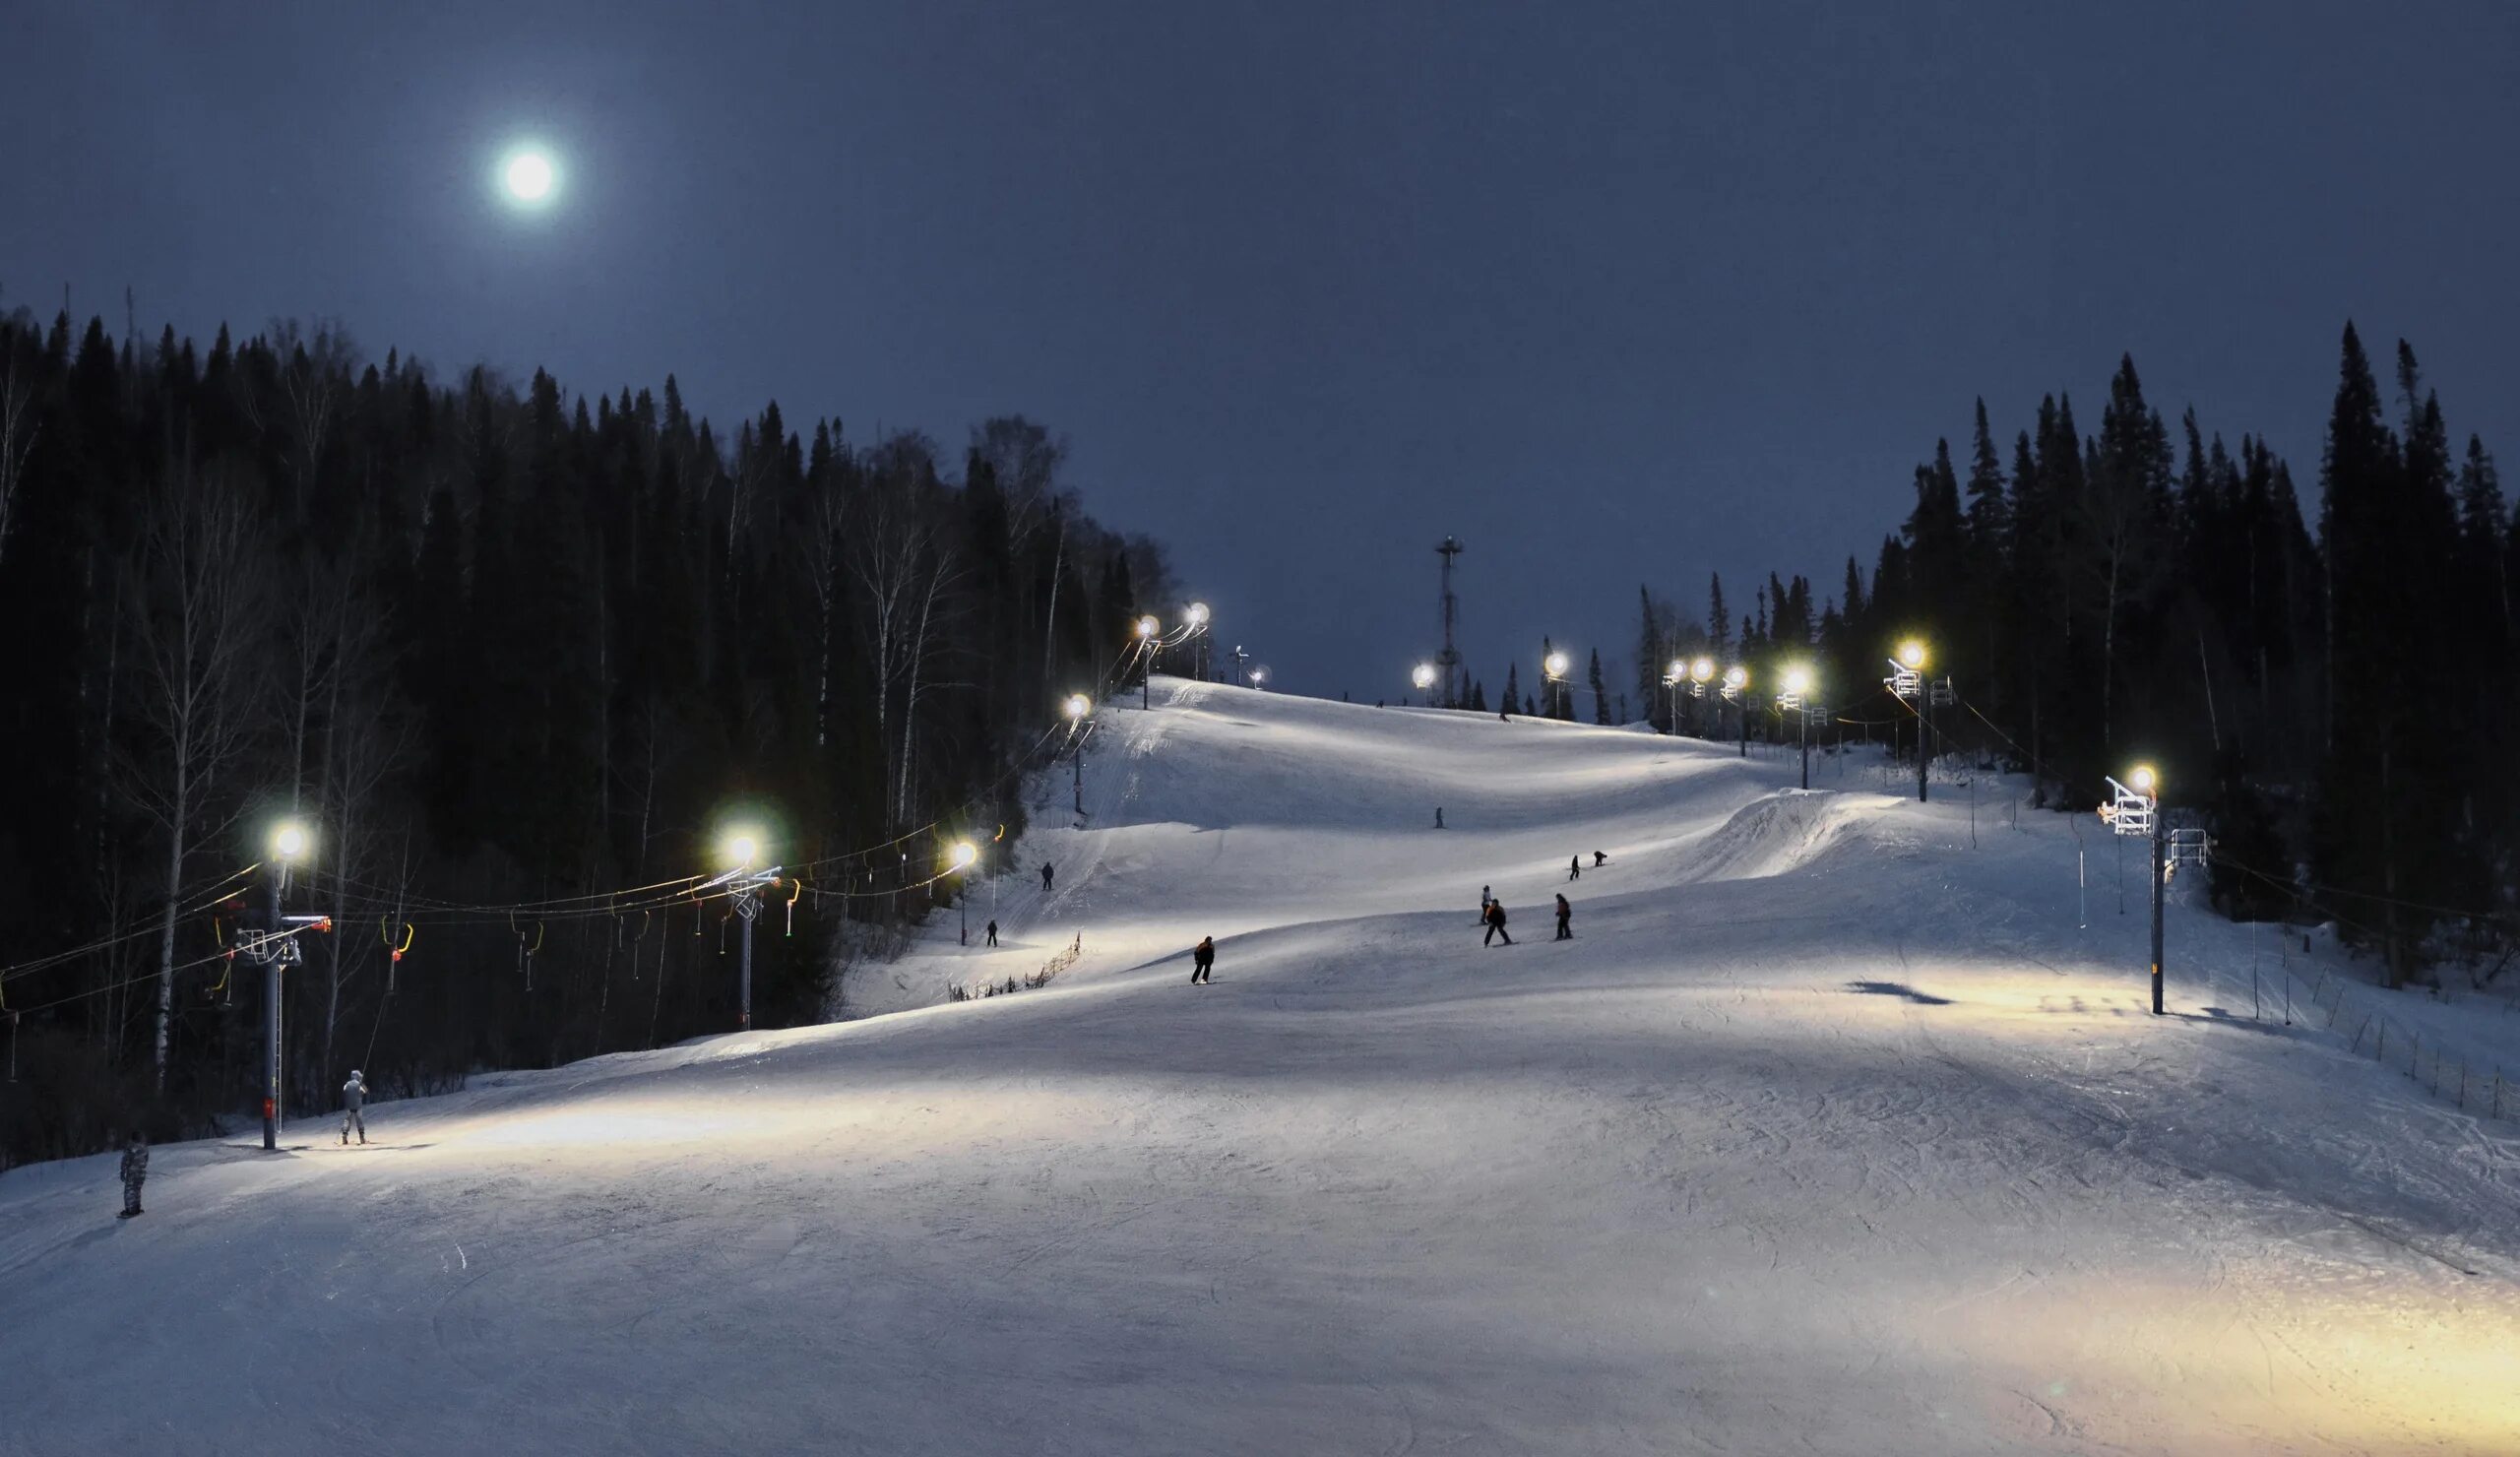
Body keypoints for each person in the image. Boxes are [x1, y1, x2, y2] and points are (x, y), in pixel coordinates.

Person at [117, 1131, 148, 1220]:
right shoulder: (144, 1147)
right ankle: (136, 1208)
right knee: (137, 1190)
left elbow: (126, 1160)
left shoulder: (130, 1147)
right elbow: (146, 1159)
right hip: (142, 1173)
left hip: (133, 1173)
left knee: (129, 1191)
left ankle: (130, 1210)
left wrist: (123, 1171)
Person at [341, 1069, 368, 1146]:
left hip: (348, 1106)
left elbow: (344, 1091)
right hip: (357, 1105)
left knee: (347, 1121)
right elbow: (365, 1091)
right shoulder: (359, 1084)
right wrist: (361, 1091)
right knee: (359, 1120)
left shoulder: (346, 1084)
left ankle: (344, 1135)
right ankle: (361, 1136)